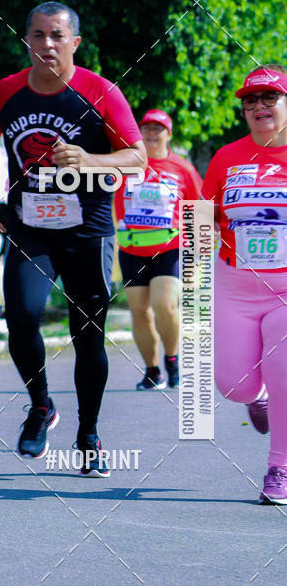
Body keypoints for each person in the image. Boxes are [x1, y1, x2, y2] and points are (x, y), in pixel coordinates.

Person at [0, 1, 146, 476]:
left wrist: (91, 161)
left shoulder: (101, 92)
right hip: (30, 227)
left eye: (57, 36)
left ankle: (89, 433)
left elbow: (136, 157)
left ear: (75, 43)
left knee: (87, 334)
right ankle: (41, 406)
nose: (47, 44)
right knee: (22, 316)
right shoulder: (6, 92)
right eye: (38, 35)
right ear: (26, 39)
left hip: (87, 232)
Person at [202, 64, 287, 505]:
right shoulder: (226, 157)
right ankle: (261, 396)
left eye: (269, 98)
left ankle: (280, 466)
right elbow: (204, 218)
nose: (258, 106)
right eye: (250, 100)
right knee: (234, 386)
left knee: (285, 364)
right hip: (236, 283)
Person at [114, 109, 202, 389]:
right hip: (131, 249)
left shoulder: (183, 168)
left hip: (170, 247)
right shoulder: (127, 165)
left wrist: (197, 254)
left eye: (158, 129)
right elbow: (113, 202)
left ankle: (172, 359)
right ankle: (152, 371)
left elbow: (199, 209)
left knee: (163, 305)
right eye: (147, 129)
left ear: (169, 134)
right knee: (139, 312)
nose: (152, 134)